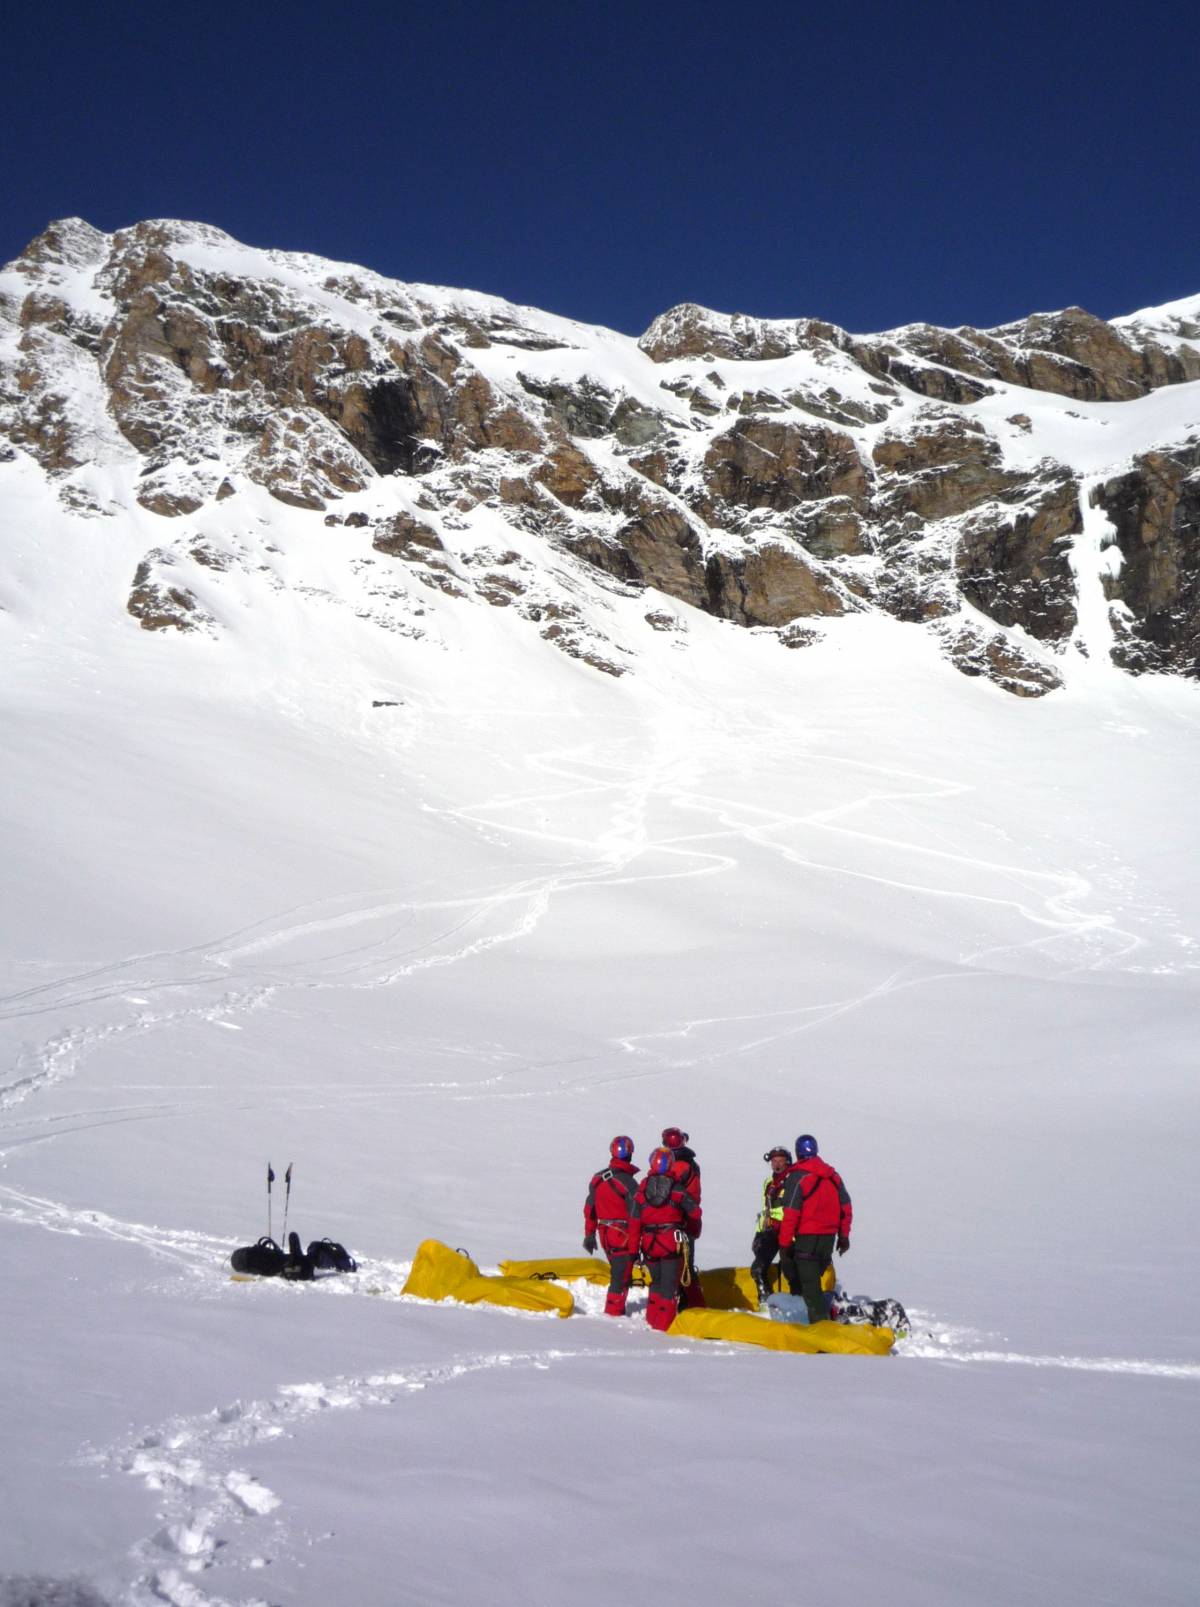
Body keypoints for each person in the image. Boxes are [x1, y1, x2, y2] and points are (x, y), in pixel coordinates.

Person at [778, 1134, 853, 1325]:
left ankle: (821, 1330)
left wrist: (784, 1244)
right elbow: (846, 1208)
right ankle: (820, 1314)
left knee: (809, 1286)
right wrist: (843, 1236)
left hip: (807, 1238)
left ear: (798, 1152)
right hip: (829, 1239)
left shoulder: (798, 1177)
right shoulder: (833, 1176)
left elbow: (791, 1213)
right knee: (812, 1281)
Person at [628, 1146, 702, 1331]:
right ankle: (663, 1326)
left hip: (649, 1244)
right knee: (669, 1287)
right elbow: (695, 1211)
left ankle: (652, 1320)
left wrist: (633, 1251)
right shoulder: (677, 1189)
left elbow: (634, 1221)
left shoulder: (642, 1189)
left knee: (656, 1283)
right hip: (670, 1243)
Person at [583, 1135, 640, 1317]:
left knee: (618, 1273)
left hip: (604, 1233)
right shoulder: (629, 1183)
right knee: (621, 1277)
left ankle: (614, 1310)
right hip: (622, 1235)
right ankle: (613, 1314)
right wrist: (635, 1249)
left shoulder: (597, 1179)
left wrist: (590, 1234)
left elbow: (589, 1209)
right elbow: (636, 1216)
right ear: (630, 1154)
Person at [661, 1125, 706, 1308]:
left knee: (681, 1265)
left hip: (679, 1220)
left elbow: (666, 1190)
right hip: (689, 1219)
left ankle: (692, 1304)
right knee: (685, 1264)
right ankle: (690, 1301)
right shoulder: (690, 1163)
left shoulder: (678, 1166)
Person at [751, 1146, 791, 1306]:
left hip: (787, 1231)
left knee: (790, 1272)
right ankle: (766, 1302)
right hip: (770, 1231)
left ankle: (777, 1303)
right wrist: (760, 1232)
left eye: (781, 1161)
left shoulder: (792, 1181)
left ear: (787, 1162)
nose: (777, 1164)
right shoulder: (768, 1182)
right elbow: (766, 1208)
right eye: (774, 1161)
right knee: (758, 1268)